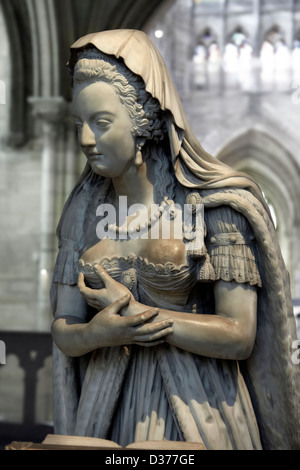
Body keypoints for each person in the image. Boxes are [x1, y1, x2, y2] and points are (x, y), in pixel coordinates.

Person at [50, 29, 300, 450]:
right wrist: (98, 334)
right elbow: (65, 329)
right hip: (105, 412)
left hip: (200, 405)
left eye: (101, 123)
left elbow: (240, 334)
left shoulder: (214, 209)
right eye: (79, 124)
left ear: (142, 120)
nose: (86, 140)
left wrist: (134, 315)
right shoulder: (83, 211)